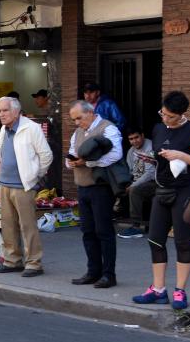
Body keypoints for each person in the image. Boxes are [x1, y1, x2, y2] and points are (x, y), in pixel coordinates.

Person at [132, 91, 190, 310]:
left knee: (182, 242)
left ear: (181, 114)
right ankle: (158, 290)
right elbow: (161, 156)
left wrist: (181, 155)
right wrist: (153, 159)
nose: (165, 119)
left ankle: (180, 291)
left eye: (170, 116)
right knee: (155, 239)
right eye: (162, 114)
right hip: (163, 190)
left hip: (187, 192)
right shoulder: (158, 129)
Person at [66, 100, 123, 289]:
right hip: (82, 187)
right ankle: (93, 271)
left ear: (90, 113)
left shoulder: (108, 128)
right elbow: (71, 153)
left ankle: (109, 274)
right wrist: (72, 162)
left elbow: (116, 154)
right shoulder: (78, 133)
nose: (76, 123)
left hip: (101, 187)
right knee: (88, 232)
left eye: (79, 118)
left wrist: (88, 163)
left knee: (104, 231)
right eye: (74, 119)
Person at [0, 97, 52, 277]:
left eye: (4, 110)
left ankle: (34, 263)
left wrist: (35, 176)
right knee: (8, 225)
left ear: (16, 111)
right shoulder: (5, 128)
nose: (0, 114)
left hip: (23, 185)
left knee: (28, 226)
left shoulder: (31, 128)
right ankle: (12, 260)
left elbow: (46, 155)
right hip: (5, 184)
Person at [119, 128, 157, 239]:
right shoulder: (131, 151)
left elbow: (150, 173)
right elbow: (130, 171)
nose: (134, 141)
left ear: (142, 135)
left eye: (137, 137)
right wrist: (125, 183)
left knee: (135, 190)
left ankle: (135, 226)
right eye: (131, 139)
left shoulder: (150, 147)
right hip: (138, 181)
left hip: (153, 182)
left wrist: (133, 185)